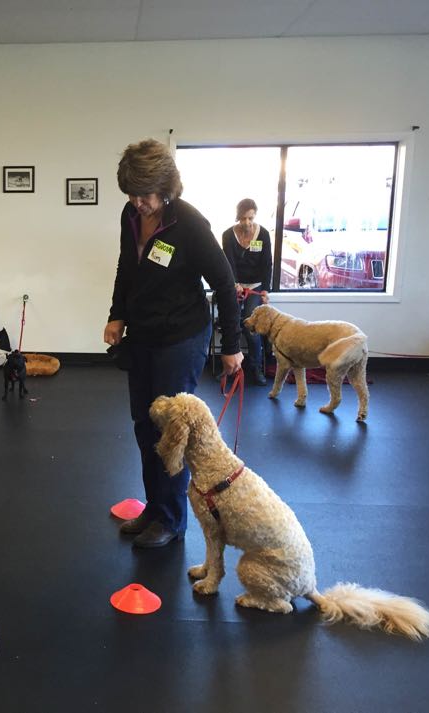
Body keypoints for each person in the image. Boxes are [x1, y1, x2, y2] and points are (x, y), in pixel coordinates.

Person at [104, 139, 243, 548]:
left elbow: (225, 284)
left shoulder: (189, 224)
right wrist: (117, 314)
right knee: (144, 424)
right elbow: (125, 267)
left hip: (182, 337)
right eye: (131, 194)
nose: (137, 202)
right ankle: (154, 508)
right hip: (143, 335)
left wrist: (232, 346)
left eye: (144, 194)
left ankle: (171, 520)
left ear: (166, 186)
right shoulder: (131, 215)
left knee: (171, 432)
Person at [221, 198, 272, 386]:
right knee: (231, 323)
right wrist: (234, 283)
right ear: (238, 217)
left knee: (251, 329)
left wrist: (265, 289)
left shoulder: (264, 234)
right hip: (235, 285)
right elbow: (228, 263)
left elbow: (267, 264)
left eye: (250, 218)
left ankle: (256, 367)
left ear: (255, 215)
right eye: (243, 219)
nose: (247, 223)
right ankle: (230, 369)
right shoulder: (228, 235)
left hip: (255, 286)